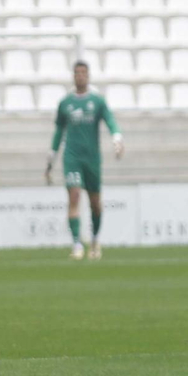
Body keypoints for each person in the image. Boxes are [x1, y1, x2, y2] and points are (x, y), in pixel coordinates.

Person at [45, 61, 123, 260]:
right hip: (72, 157)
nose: (80, 76)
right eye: (77, 72)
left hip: (92, 158)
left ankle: (95, 240)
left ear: (88, 75)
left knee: (95, 202)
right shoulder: (65, 103)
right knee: (74, 196)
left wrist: (117, 137)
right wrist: (51, 157)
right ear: (73, 76)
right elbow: (58, 132)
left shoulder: (97, 101)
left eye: (83, 72)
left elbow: (110, 120)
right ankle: (77, 244)